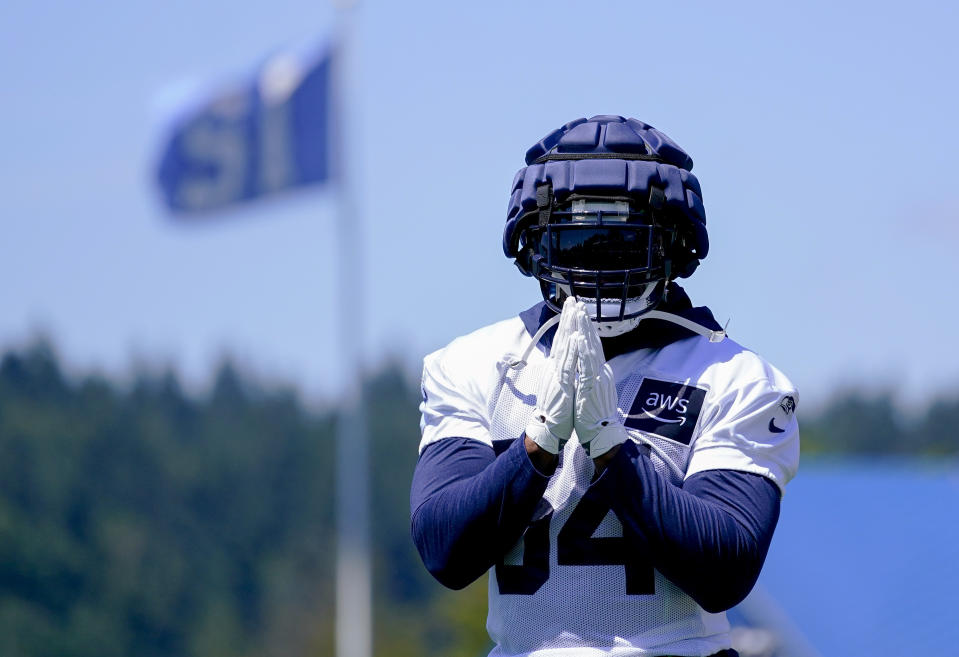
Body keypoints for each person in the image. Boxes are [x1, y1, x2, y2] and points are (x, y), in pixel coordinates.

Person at [410, 115, 799, 657]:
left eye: (621, 242)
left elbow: (724, 570)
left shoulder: (734, 378)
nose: (598, 263)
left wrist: (614, 455)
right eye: (577, 240)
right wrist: (536, 447)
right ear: (535, 244)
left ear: (673, 245)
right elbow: (445, 549)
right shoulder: (474, 364)